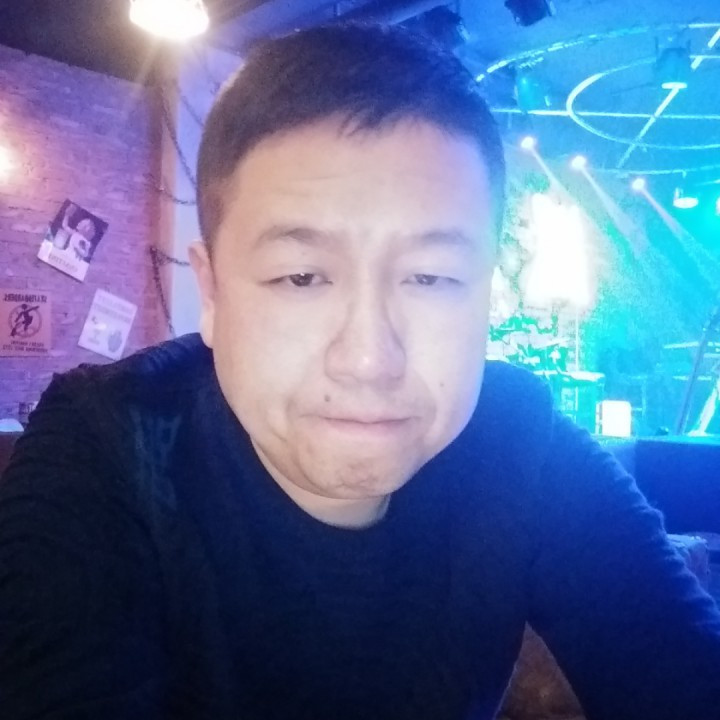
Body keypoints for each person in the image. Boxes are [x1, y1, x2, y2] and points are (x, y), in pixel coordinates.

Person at [1, 23, 719, 720]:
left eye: (431, 277)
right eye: (302, 276)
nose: (370, 359)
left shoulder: (521, 443)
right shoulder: (109, 448)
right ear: (212, 293)